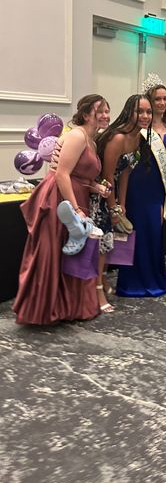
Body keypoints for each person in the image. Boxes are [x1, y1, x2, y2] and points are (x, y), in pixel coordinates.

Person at [13, 95, 111, 325]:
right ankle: (46, 309)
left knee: (72, 252)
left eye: (107, 111)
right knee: (53, 250)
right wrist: (76, 209)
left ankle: (70, 306)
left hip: (75, 195)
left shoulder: (91, 139)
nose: (106, 115)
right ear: (87, 114)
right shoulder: (77, 135)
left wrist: (96, 187)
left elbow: (78, 174)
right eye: (101, 111)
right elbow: (61, 174)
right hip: (60, 198)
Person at [115, 75, 166, 297]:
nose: (161, 103)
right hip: (138, 184)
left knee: (154, 231)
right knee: (137, 230)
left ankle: (154, 278)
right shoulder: (136, 128)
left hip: (157, 185)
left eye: (165, 98)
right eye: (156, 98)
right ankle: (133, 282)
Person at [94, 94, 153, 310]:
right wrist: (112, 207)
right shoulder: (118, 138)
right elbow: (107, 176)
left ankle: (102, 278)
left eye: (149, 112)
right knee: (103, 241)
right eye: (140, 111)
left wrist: (122, 203)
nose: (145, 116)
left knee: (111, 242)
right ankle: (97, 291)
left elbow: (126, 173)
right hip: (98, 193)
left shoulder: (138, 139)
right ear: (129, 111)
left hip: (112, 192)